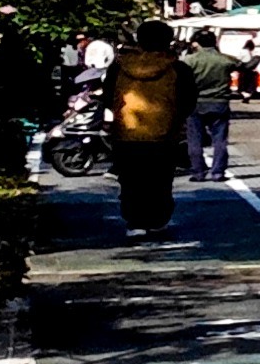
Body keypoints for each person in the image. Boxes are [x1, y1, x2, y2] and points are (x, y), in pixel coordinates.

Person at [103, 22, 193, 237]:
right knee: (160, 179)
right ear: (168, 40)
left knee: (131, 179)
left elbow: (108, 97)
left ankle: (135, 221)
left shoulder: (119, 66)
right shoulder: (177, 68)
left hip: (127, 133)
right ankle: (157, 219)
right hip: (164, 135)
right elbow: (188, 100)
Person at [180, 29, 241, 182]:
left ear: (196, 43)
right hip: (219, 102)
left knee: (194, 140)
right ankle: (218, 172)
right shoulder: (225, 60)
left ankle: (198, 172)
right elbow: (244, 66)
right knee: (219, 140)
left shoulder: (189, 60)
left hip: (194, 104)